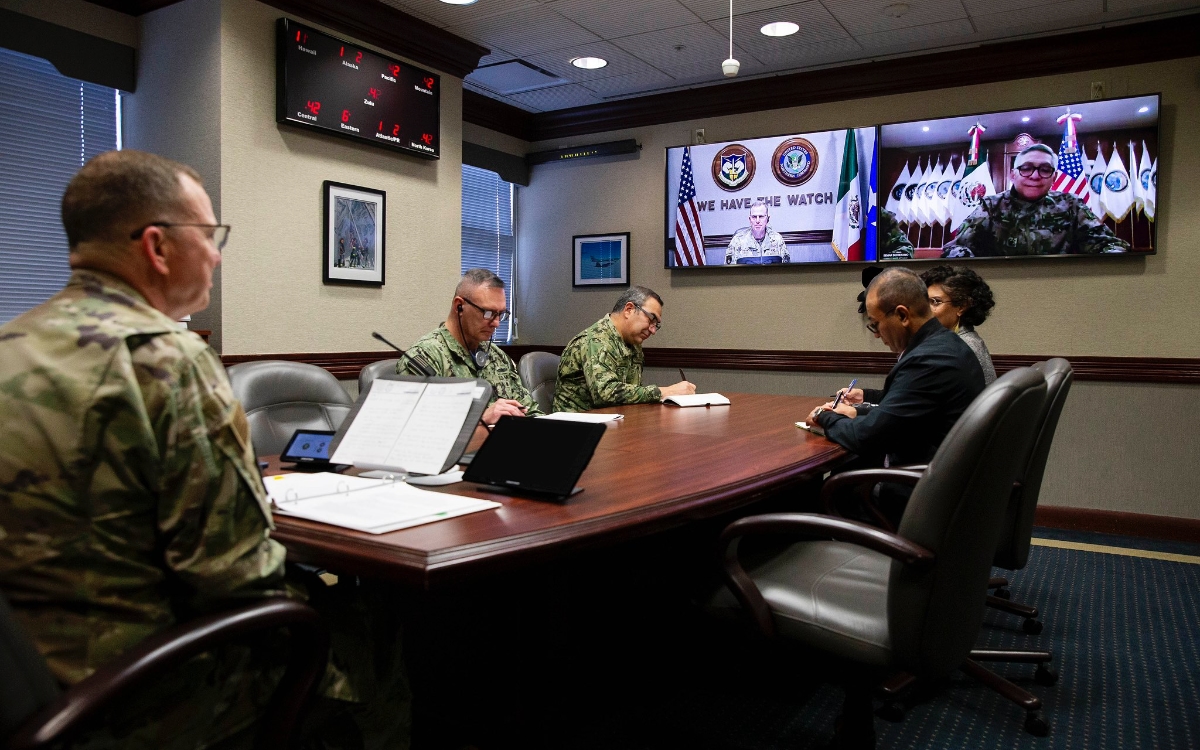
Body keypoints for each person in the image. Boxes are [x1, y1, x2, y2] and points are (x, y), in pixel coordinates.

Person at [0, 150, 408, 749]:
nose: (217, 255)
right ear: (157, 247)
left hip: (34, 688)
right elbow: (235, 574)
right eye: (210, 235)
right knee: (378, 634)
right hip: (145, 694)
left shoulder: (12, 344)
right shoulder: (165, 360)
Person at [808, 268, 985, 472]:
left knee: (832, 482)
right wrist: (859, 408)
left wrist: (824, 416)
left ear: (902, 315)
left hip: (919, 483)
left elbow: (866, 437)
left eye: (875, 324)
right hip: (943, 474)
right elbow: (903, 410)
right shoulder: (948, 345)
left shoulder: (928, 361)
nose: (876, 335)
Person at [400, 267, 542, 422]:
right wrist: (480, 419)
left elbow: (530, 412)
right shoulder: (424, 358)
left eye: (500, 314)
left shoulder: (497, 356)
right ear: (459, 306)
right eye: (488, 313)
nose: (496, 323)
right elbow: (419, 427)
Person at [941, 143, 1129, 257]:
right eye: (1027, 168)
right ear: (1013, 175)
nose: (1035, 176)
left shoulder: (1071, 205)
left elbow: (1110, 244)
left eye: (1045, 169)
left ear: (1054, 178)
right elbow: (956, 248)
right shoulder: (991, 206)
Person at [553, 286, 695, 412]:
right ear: (629, 310)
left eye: (656, 324)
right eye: (651, 319)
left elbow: (632, 395)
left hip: (615, 422)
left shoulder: (633, 344)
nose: (653, 330)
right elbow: (605, 394)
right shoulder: (596, 340)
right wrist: (663, 392)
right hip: (578, 427)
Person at [921, 265, 997, 385]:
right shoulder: (957, 341)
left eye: (935, 302)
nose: (926, 310)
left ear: (962, 306)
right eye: (925, 301)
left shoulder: (962, 348)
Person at [725, 199, 790, 264]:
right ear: (750, 220)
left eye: (761, 217)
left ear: (767, 219)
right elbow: (729, 269)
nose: (757, 221)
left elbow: (786, 268)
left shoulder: (777, 240)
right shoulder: (737, 240)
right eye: (754, 217)